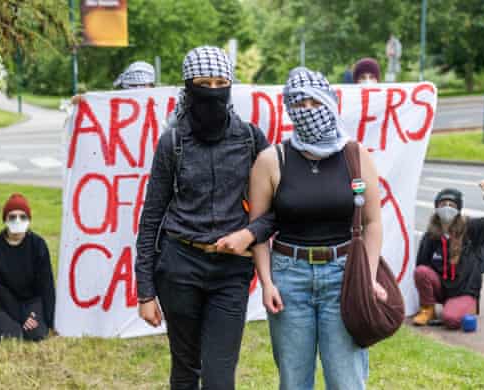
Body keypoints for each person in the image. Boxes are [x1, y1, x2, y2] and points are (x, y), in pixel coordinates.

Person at [135, 46, 273, 390]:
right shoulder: (173, 142)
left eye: (220, 82)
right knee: (184, 370)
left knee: (219, 377)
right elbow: (151, 216)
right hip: (179, 266)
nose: (212, 90)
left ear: (230, 85)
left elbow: (275, 210)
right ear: (188, 86)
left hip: (231, 271)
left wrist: (249, 234)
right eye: (203, 83)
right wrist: (145, 291)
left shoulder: (250, 139)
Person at [247, 67, 385, 389]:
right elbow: (258, 231)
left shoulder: (355, 155)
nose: (307, 111)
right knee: (294, 380)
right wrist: (266, 282)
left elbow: (373, 223)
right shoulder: (272, 160)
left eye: (314, 102)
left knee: (346, 379)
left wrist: (370, 275)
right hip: (289, 278)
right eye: (298, 104)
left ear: (330, 101)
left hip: (344, 276)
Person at [413, 181, 484, 329]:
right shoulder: (431, 236)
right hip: (442, 288)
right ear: (436, 207)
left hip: (464, 291)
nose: (446, 208)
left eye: (451, 205)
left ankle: (462, 307)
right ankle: (428, 310)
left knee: (451, 319)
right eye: (442, 204)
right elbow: (421, 266)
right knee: (421, 272)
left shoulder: (472, 229)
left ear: (458, 209)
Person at [0, 193, 55, 341]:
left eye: (23, 216)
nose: (17, 220)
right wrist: (21, 316)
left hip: (31, 301)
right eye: (12, 216)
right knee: (10, 338)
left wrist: (47, 319)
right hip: (4, 303)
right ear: (5, 219)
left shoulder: (38, 245)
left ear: (29, 220)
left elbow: (46, 284)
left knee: (37, 334)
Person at [70, 60, 156, 104]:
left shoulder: (161, 104)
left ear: (151, 86)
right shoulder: (115, 103)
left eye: (142, 85)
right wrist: (83, 101)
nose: (137, 89)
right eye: (132, 85)